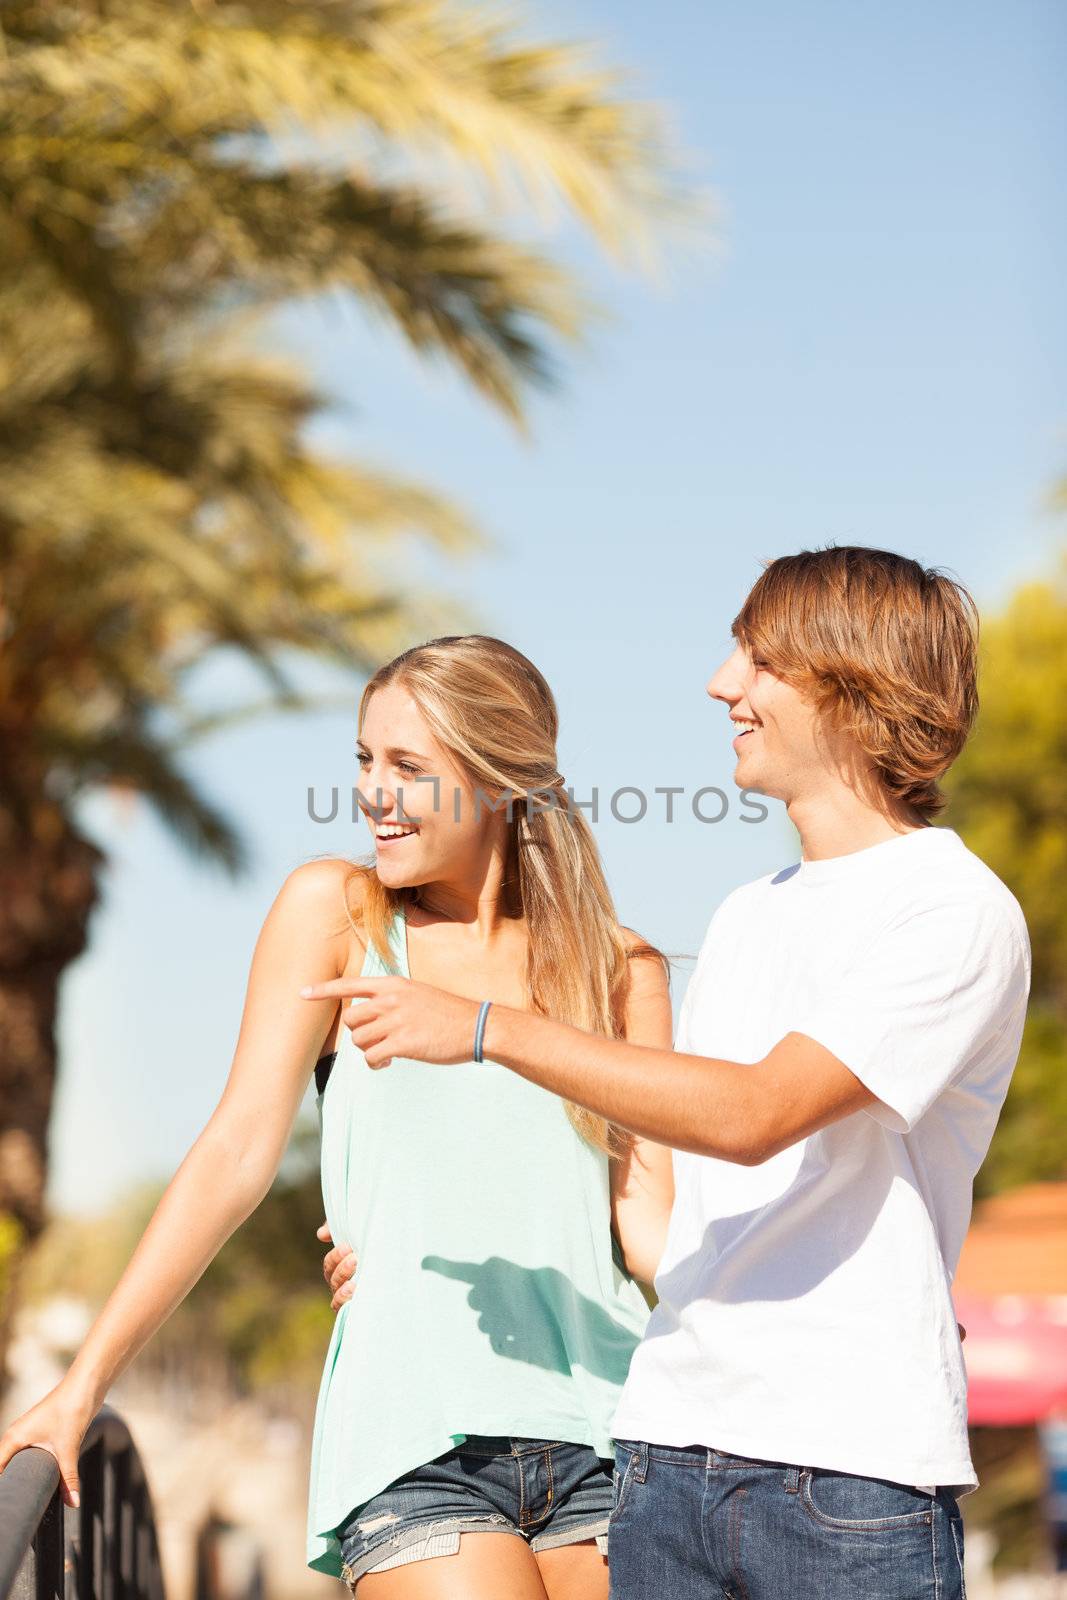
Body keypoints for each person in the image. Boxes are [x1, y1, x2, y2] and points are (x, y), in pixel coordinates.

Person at [303, 546, 1032, 1600]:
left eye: (756, 659)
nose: (719, 683)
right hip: (666, 1453)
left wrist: (484, 1026)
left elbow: (753, 1115)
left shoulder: (950, 911)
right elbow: (674, 1221)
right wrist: (412, 1253)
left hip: (847, 1477)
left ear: (851, 685)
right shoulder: (745, 915)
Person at [0, 635, 676, 1600]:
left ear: (496, 778)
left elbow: (649, 1228)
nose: (373, 792)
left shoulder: (620, 968)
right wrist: (84, 1385)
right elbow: (237, 1149)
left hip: (610, 1431)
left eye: (408, 766)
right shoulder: (340, 914)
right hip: (414, 1437)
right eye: (364, 761)